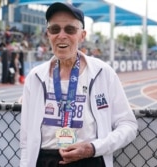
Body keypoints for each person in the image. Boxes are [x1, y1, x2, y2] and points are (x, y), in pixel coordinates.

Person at [20, 2, 138, 167]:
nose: (61, 35)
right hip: (45, 160)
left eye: (70, 29)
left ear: (82, 36)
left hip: (89, 159)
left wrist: (93, 148)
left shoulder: (103, 73)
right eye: (55, 29)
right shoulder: (35, 77)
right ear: (48, 34)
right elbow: (26, 138)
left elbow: (128, 125)